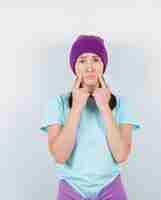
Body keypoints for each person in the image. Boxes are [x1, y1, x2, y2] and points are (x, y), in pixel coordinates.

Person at [39, 34, 142, 200]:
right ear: (74, 66)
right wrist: (77, 108)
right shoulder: (57, 103)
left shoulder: (122, 103)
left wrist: (104, 107)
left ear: (103, 65)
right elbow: (60, 156)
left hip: (110, 187)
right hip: (71, 188)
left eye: (95, 59)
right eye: (82, 60)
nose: (89, 67)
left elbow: (121, 155)